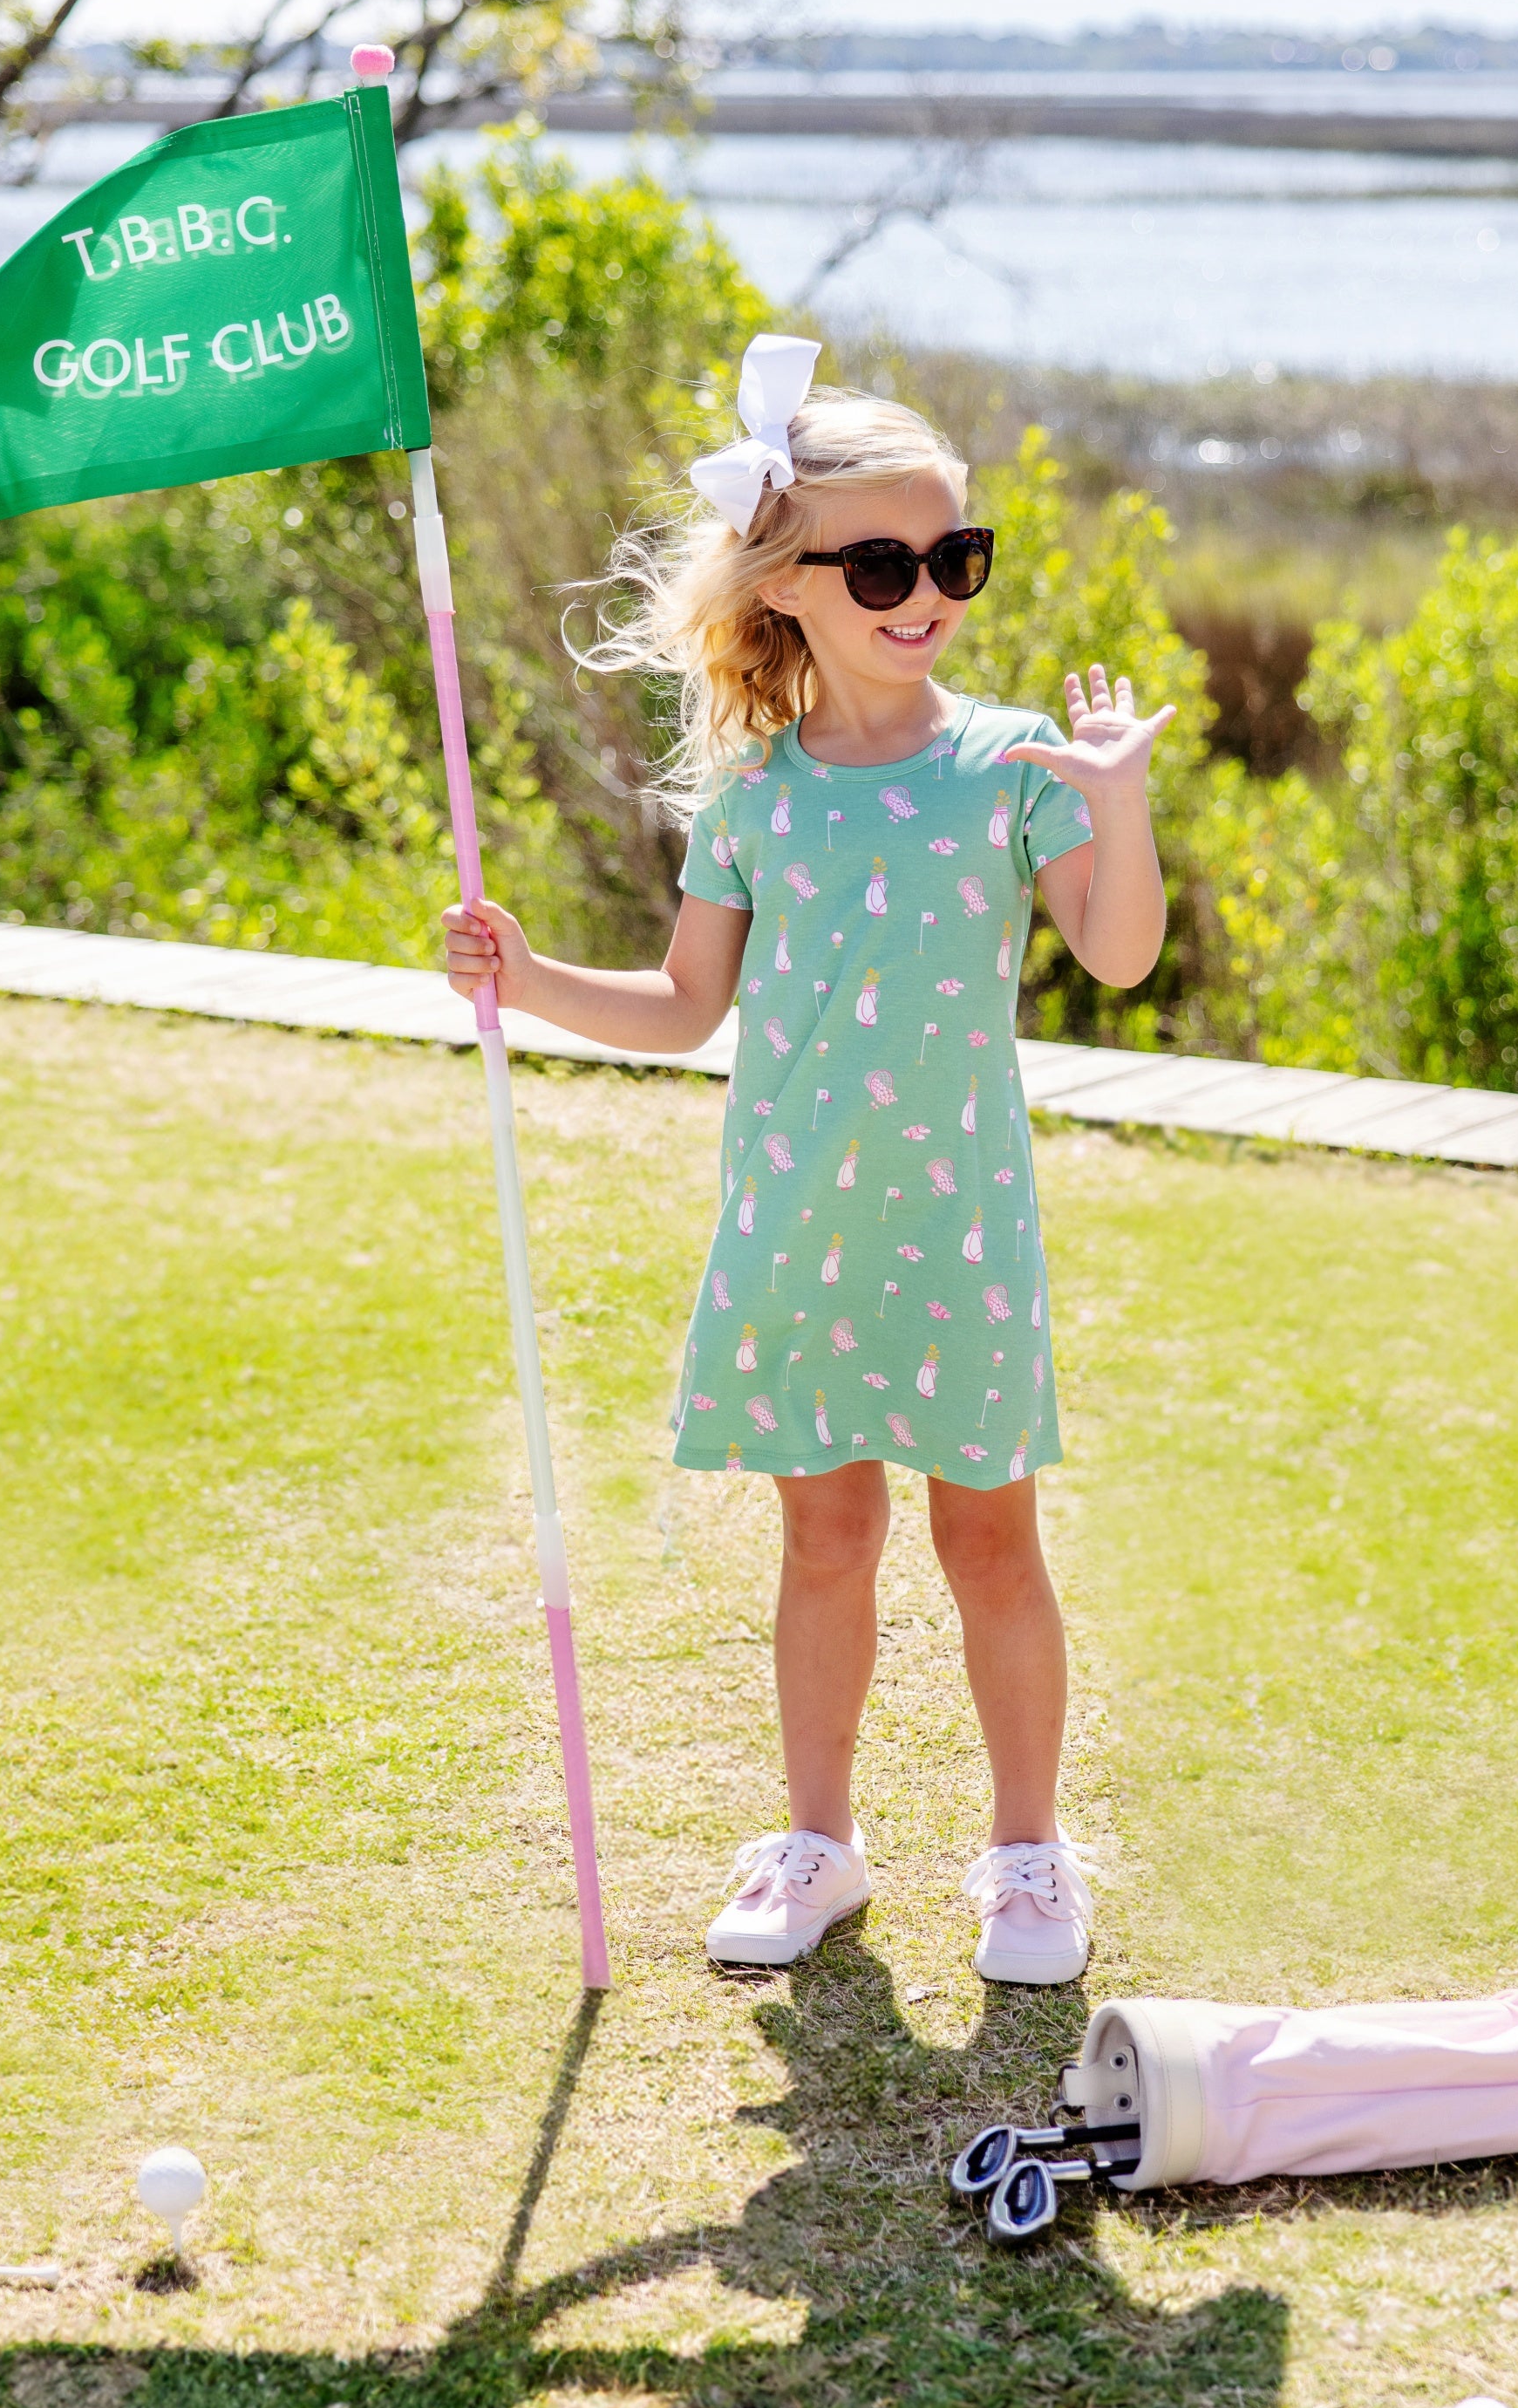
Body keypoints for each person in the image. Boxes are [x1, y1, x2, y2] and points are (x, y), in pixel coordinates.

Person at [444, 335, 1174, 1982]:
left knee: (992, 1545)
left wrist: (1120, 803)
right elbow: (683, 1005)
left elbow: (1120, 954)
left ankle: (1029, 1855)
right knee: (825, 1542)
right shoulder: (756, 798)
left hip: (960, 1232)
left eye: (955, 559)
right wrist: (529, 977)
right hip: (796, 1231)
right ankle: (819, 1844)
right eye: (885, 566)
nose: (927, 597)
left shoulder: (1014, 768)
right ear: (786, 583)